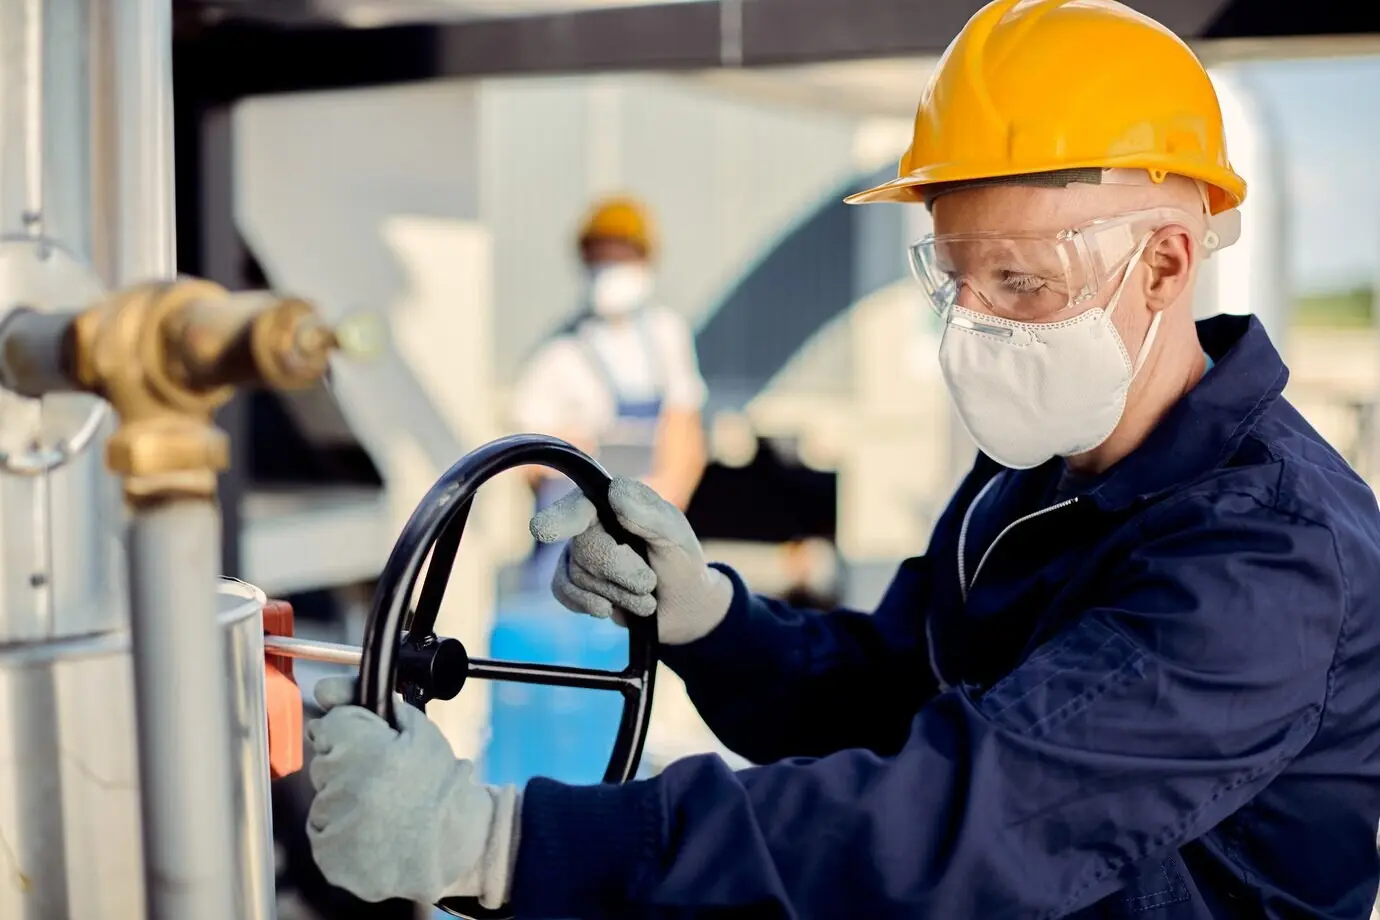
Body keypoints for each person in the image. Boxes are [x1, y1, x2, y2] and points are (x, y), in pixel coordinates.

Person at [301, 2, 1380, 916]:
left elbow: (968, 818)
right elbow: (892, 690)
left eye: (1023, 282)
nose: (978, 325)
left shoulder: (1269, 559)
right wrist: (710, 621)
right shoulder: (1034, 478)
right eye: (955, 276)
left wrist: (505, 840)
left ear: (1167, 262)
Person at [510, 195, 708, 592]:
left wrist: (664, 500)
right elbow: (525, 462)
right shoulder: (558, 352)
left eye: (622, 255)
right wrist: (577, 454)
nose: (610, 267)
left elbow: (686, 431)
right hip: (572, 545)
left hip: (647, 537)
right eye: (601, 256)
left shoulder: (667, 335)